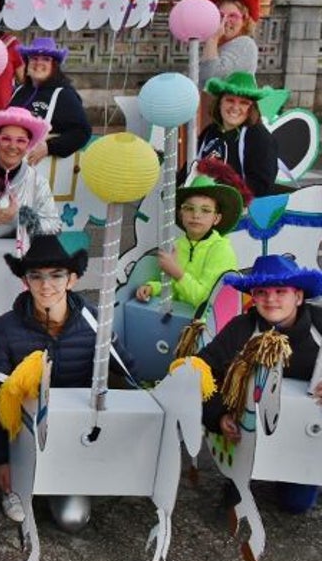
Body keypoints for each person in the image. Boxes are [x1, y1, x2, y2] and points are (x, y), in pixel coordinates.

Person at [0, 235, 136, 531]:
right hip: (23, 434)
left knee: (72, 520)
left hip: (75, 436)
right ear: (25, 281)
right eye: (36, 276)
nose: (46, 285)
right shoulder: (7, 326)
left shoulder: (95, 320)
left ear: (73, 279)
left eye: (56, 275)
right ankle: (7, 479)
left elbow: (128, 375)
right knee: (19, 494)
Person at [194, 254, 322, 514]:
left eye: (280, 291)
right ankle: (240, 477)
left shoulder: (319, 323)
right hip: (248, 426)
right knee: (241, 478)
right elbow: (199, 372)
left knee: (295, 505)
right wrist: (218, 416)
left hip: (308, 429)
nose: (270, 299)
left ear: (298, 296)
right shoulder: (242, 327)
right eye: (262, 292)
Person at [134, 163, 242, 307]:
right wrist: (153, 288)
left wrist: (176, 271)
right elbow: (176, 287)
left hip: (206, 326)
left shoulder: (221, 251)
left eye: (205, 210)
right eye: (189, 208)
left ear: (216, 218)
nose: (196, 215)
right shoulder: (179, 244)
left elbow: (205, 300)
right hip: (180, 318)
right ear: (181, 214)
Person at [0, 107, 61, 243]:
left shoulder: (37, 182)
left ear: (28, 146)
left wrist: (17, 219)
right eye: (6, 139)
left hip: (12, 260)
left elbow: (55, 227)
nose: (13, 146)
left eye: (21, 141)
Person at [8, 37, 92, 165]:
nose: (38, 63)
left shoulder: (64, 94)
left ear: (54, 66)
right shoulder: (19, 91)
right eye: (34, 58)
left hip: (41, 169)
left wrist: (49, 147)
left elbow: (81, 132)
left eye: (46, 59)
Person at [197, 71, 278, 197]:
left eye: (244, 103)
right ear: (219, 103)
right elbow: (191, 167)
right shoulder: (209, 132)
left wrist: (223, 187)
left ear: (251, 108)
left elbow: (262, 187)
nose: (235, 107)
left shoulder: (259, 138)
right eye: (230, 100)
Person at [200, 0, 260, 87]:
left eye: (233, 16)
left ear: (244, 21)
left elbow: (211, 80)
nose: (226, 21)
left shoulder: (245, 44)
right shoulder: (216, 44)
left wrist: (213, 39)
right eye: (221, 16)